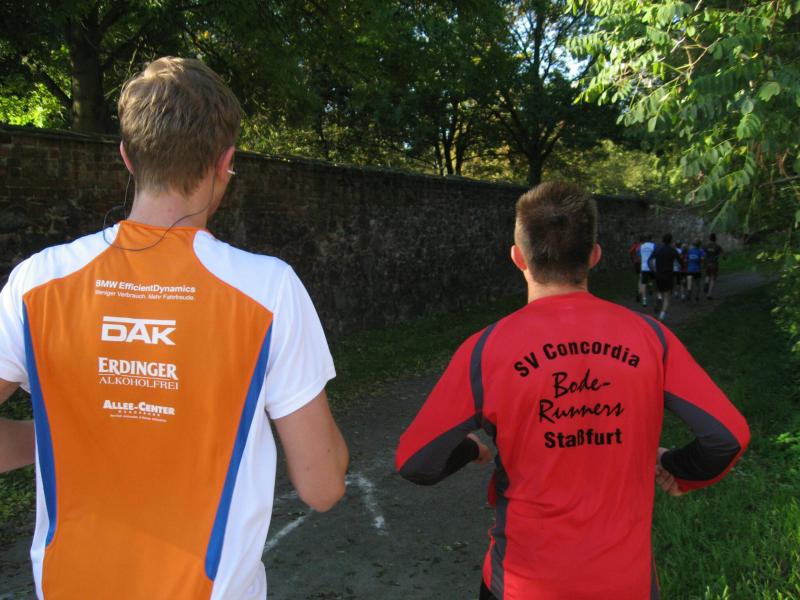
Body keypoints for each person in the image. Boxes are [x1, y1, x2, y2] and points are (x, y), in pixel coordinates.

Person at [0, 57, 348, 599]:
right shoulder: (268, 290)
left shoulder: (37, 281)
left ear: (127, 156)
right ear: (225, 161)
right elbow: (322, 486)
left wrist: (65, 436)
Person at [395, 182, 749, 600]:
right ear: (594, 256)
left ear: (518, 257)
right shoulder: (650, 338)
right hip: (625, 585)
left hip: (521, 586)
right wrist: (676, 465)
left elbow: (417, 463)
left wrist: (471, 449)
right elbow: (726, 437)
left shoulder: (486, 350)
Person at [649, 233, 680, 321]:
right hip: (668, 276)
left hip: (658, 275)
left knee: (659, 291)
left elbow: (649, 261)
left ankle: (659, 298)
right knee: (667, 297)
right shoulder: (673, 250)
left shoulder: (657, 249)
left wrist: (653, 270)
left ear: (662, 240)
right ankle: (662, 316)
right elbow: (680, 261)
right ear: (671, 241)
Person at [704, 233, 724, 299]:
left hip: (707, 263)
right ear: (715, 239)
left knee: (707, 275)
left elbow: (703, 253)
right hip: (714, 264)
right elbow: (723, 255)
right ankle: (709, 294)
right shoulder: (718, 246)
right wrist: (724, 257)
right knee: (713, 278)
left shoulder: (706, 246)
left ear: (709, 238)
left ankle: (706, 283)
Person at [638, 234, 656, 307]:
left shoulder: (642, 246)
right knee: (652, 279)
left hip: (644, 267)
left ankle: (644, 300)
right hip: (651, 267)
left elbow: (639, 255)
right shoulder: (654, 245)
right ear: (651, 239)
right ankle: (651, 287)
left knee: (643, 283)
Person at [628, 236, 644, 302]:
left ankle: (639, 291)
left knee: (640, 277)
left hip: (636, 263)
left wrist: (632, 259)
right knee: (642, 278)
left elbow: (630, 251)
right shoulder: (643, 246)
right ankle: (639, 293)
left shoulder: (636, 245)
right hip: (642, 263)